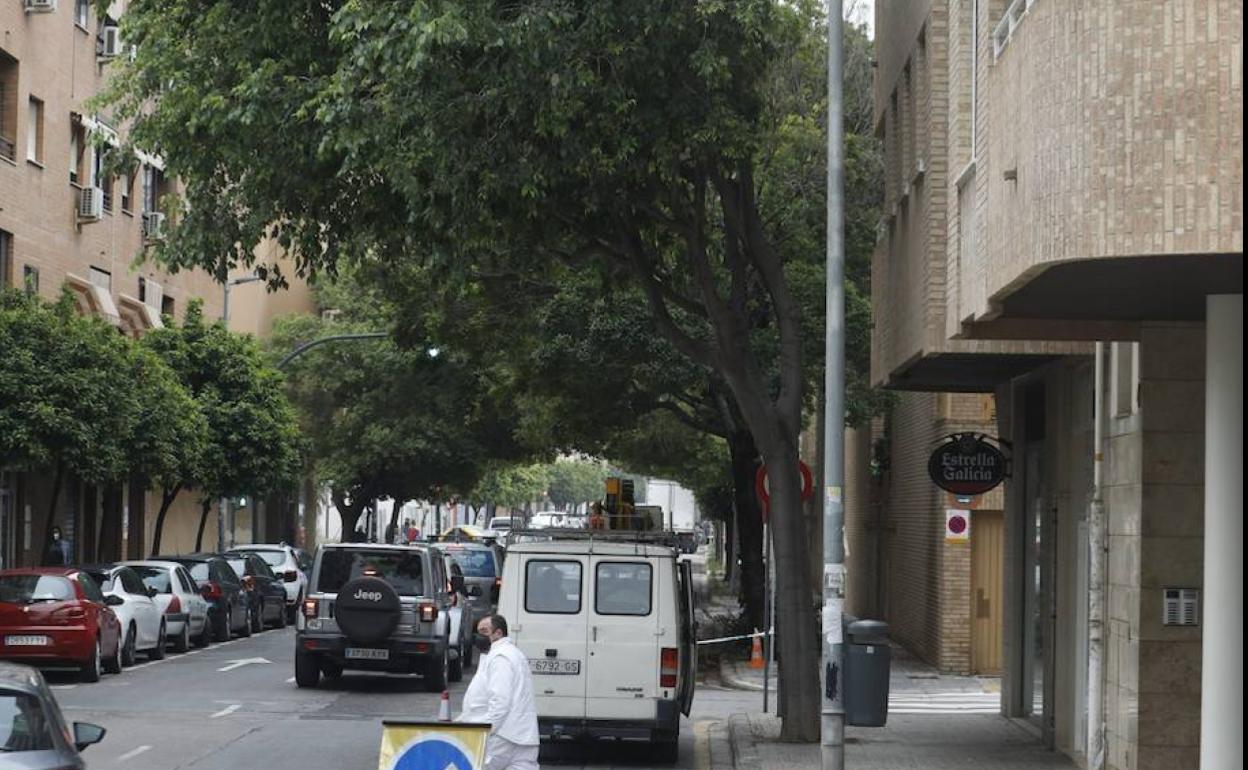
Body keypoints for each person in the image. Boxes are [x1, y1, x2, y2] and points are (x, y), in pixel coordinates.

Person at [457, 614, 539, 770]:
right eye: (478, 631)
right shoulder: (514, 654)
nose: (479, 636)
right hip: (523, 737)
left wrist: (484, 731)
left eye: (484, 631)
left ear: (498, 633)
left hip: (501, 736)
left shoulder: (500, 657)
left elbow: (500, 702)